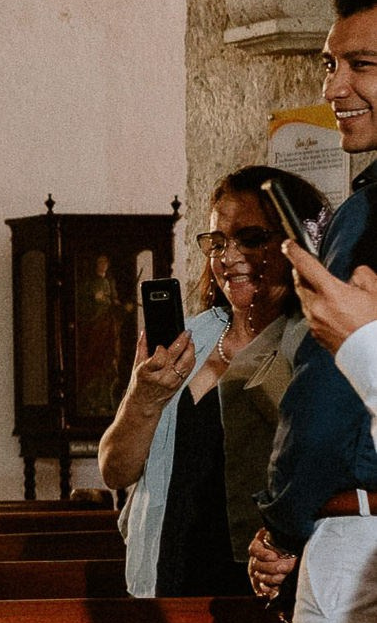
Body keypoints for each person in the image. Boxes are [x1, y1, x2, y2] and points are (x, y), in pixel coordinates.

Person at [97, 165, 324, 596]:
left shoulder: (315, 341)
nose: (228, 258)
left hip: (272, 587)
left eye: (251, 239)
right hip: (172, 582)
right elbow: (114, 470)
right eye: (217, 242)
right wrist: (144, 398)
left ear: (297, 243)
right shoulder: (190, 338)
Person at [249, 0, 377, 623]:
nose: (334, 89)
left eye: (362, 65)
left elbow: (327, 395)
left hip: (358, 538)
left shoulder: (367, 213)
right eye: (330, 64)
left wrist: (281, 524)